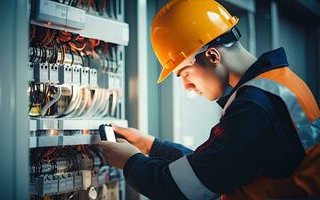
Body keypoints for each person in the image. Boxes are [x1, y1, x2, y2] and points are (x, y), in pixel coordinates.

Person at [98, 0, 320, 199]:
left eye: (185, 74)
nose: (187, 86)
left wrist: (130, 162)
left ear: (212, 56)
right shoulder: (276, 87)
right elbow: (215, 167)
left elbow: (187, 188)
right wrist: (150, 145)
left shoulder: (256, 107)